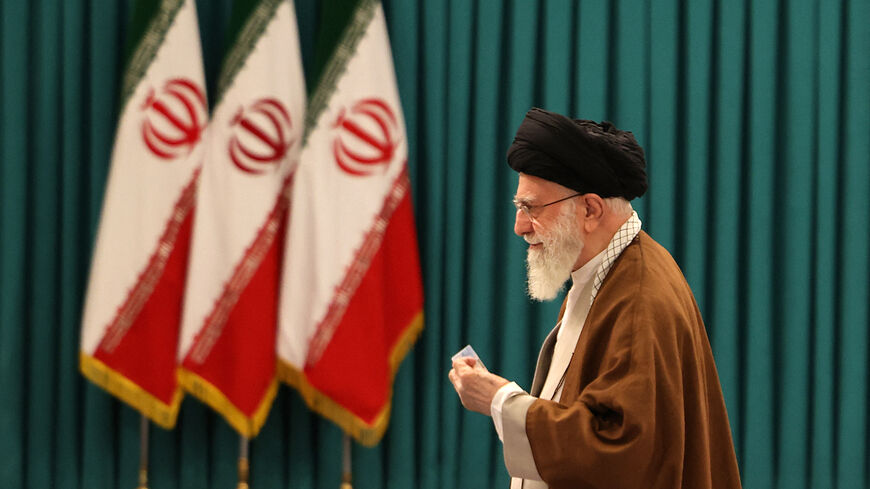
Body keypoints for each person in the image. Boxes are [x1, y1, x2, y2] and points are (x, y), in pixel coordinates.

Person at [448, 108, 742, 489]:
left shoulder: (639, 296)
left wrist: (501, 400)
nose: (520, 227)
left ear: (590, 209)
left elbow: (617, 448)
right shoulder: (606, 273)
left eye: (531, 208)